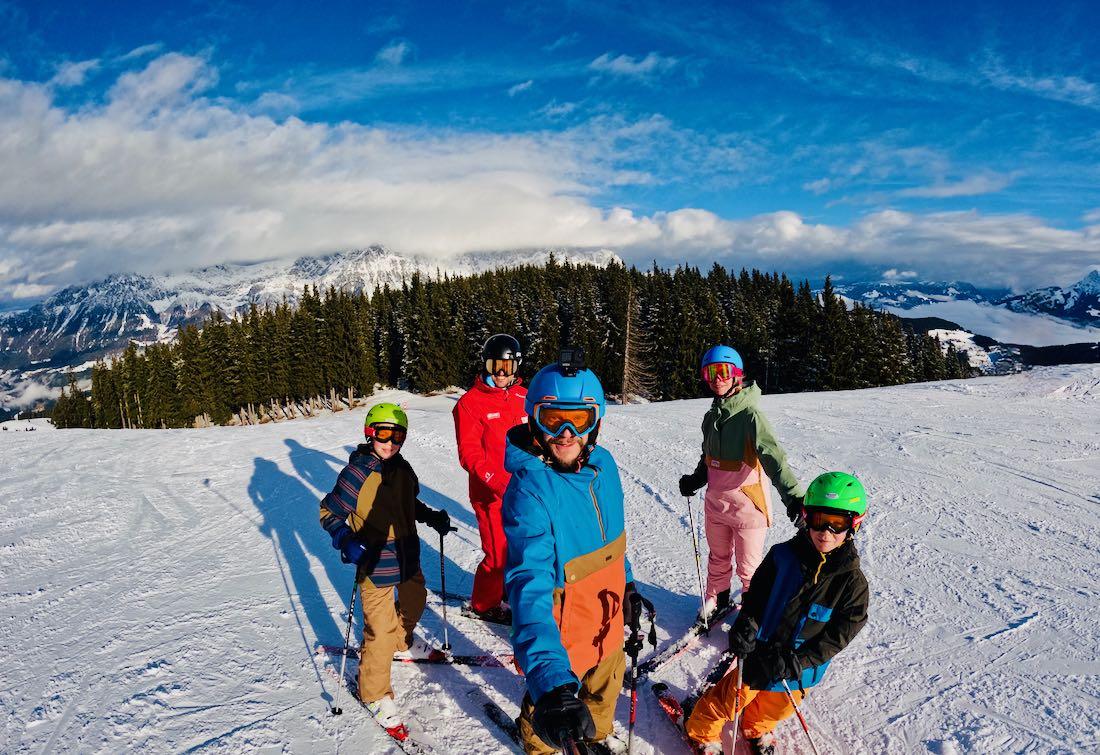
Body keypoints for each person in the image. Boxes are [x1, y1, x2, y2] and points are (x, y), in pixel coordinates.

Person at [503, 350, 644, 754]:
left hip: (610, 620)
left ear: (594, 421)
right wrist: (549, 681)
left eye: (578, 419)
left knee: (604, 694)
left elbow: (614, 542)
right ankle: (537, 740)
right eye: (553, 420)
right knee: (555, 710)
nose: (566, 432)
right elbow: (527, 588)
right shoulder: (529, 493)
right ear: (534, 420)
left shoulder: (606, 467)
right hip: (564, 637)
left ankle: (594, 736)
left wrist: (629, 584)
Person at [685, 472, 871, 755]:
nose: (826, 532)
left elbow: (841, 633)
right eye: (820, 520)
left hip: (801, 665)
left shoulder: (852, 583)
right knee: (730, 697)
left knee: (778, 705)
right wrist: (746, 624)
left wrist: (804, 659)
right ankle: (701, 731)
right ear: (807, 517)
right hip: (761, 650)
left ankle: (755, 727)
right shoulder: (782, 556)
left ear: (853, 525)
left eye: (838, 524)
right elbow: (756, 597)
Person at [319, 402, 453, 732]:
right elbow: (328, 512)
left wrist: (430, 516)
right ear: (369, 432)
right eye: (383, 433)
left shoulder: (403, 469)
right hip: (375, 564)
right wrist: (344, 538)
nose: (390, 441)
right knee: (378, 630)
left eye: (398, 435)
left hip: (407, 555)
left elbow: (410, 503)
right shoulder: (357, 474)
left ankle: (403, 640)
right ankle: (374, 693)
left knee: (416, 601)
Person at [678, 345, 804, 622]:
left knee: (749, 568)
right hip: (717, 505)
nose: (717, 378)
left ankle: (753, 614)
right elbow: (708, 458)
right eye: (711, 372)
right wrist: (696, 479)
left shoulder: (751, 417)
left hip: (748, 507)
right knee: (718, 558)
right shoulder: (711, 418)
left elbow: (775, 459)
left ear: (738, 375)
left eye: (724, 371)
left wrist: (794, 497)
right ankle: (718, 599)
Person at [452, 334, 528, 622]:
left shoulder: (524, 397)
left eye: (506, 368)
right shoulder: (470, 404)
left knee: (524, 547)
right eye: (494, 365)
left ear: (515, 368)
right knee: (497, 556)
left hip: (525, 491)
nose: (499, 373)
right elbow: (469, 454)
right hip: (491, 495)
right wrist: (497, 481)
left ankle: (509, 588)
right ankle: (484, 604)